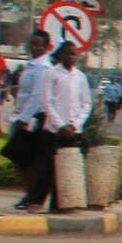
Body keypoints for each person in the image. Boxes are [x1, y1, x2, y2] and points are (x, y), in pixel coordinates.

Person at [27, 41, 92, 210]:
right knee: (46, 169)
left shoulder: (80, 77)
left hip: (72, 131)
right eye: (68, 54)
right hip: (53, 131)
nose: (71, 57)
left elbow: (86, 104)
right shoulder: (52, 74)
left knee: (66, 170)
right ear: (61, 55)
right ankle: (36, 202)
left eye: (74, 54)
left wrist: (74, 125)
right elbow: (47, 102)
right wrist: (61, 126)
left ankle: (60, 203)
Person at [1, 30, 54, 211]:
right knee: (21, 158)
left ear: (46, 46)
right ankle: (29, 194)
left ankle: (32, 195)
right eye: (33, 44)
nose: (35, 47)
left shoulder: (42, 67)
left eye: (39, 44)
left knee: (22, 157)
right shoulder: (32, 64)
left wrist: (23, 118)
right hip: (22, 115)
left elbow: (37, 96)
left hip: (32, 119)